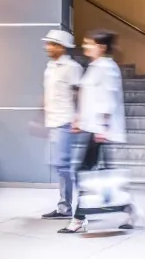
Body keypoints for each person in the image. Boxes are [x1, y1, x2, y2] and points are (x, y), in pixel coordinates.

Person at [59, 30, 138, 233]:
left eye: (89, 43)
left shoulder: (107, 67)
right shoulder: (94, 67)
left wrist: (103, 127)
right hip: (93, 128)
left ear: (101, 47)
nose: (85, 46)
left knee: (85, 171)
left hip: (101, 131)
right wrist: (79, 119)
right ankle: (128, 209)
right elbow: (89, 97)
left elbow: (108, 99)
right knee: (101, 174)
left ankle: (79, 218)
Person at [39, 30, 83, 219]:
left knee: (62, 165)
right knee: (58, 165)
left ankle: (67, 208)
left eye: (51, 44)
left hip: (65, 121)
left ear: (61, 47)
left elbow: (79, 93)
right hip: (53, 121)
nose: (47, 47)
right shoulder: (50, 67)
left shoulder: (72, 67)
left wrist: (78, 117)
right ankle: (65, 206)